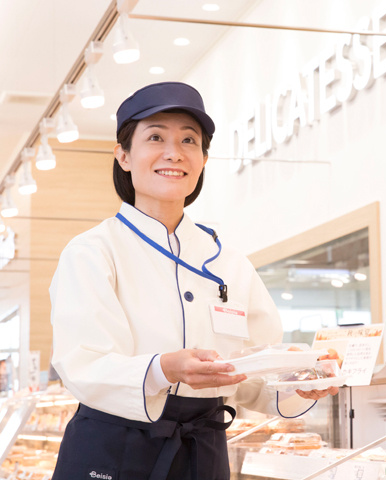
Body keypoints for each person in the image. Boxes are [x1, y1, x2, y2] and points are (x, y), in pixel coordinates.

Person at [50, 81, 337, 480]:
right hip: (113, 449)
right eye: (155, 137)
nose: (174, 152)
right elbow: (84, 365)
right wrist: (165, 368)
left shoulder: (230, 264)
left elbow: (252, 374)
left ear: (202, 159)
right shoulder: (92, 252)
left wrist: (299, 381)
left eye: (189, 140)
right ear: (123, 155)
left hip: (203, 451)